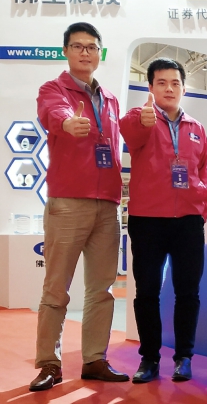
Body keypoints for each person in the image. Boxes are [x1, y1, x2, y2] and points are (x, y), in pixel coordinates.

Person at [31, 22, 129, 391]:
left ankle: (95, 359)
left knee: (102, 289)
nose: (85, 52)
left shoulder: (111, 99)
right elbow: (53, 114)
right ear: (66, 51)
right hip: (69, 201)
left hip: (107, 205)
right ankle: (48, 363)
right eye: (77, 46)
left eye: (91, 47)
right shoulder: (53, 90)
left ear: (100, 53)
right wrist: (66, 123)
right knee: (56, 288)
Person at [120, 58, 207, 383]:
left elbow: (204, 171)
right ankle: (149, 359)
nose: (169, 88)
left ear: (184, 88)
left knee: (188, 292)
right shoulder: (141, 118)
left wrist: (201, 209)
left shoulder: (197, 128)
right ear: (151, 87)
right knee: (147, 292)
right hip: (148, 221)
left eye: (175, 83)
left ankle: (184, 357)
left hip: (188, 222)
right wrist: (141, 120)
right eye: (161, 82)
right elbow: (128, 131)